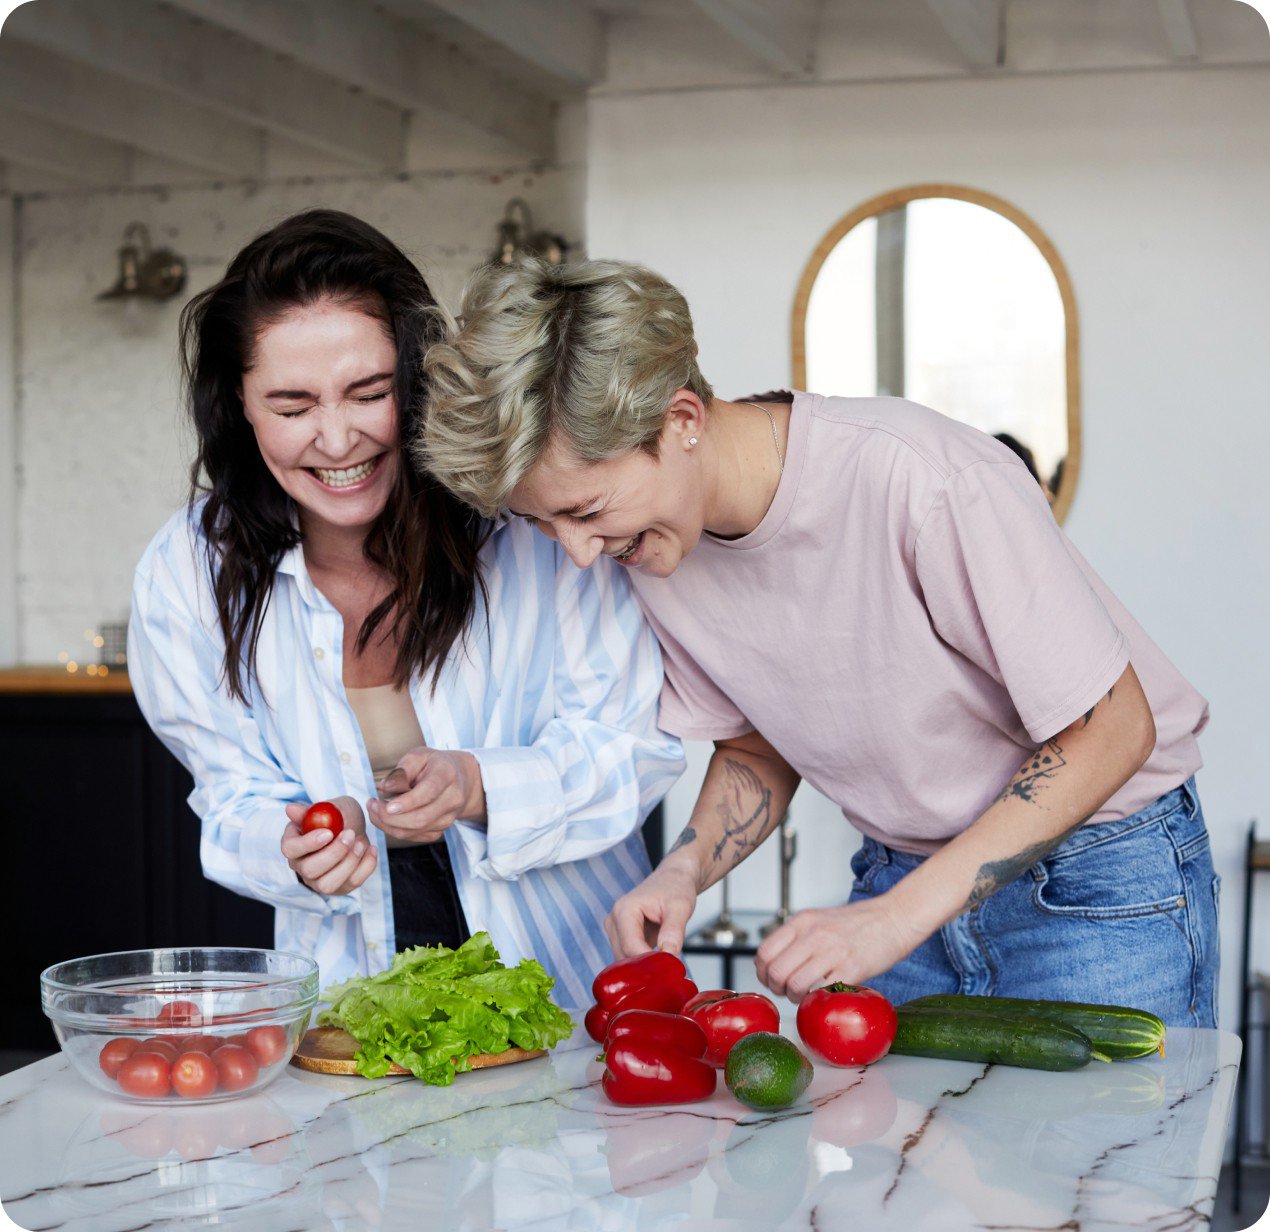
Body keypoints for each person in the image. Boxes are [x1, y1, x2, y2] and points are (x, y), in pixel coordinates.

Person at [417, 258, 1218, 1027]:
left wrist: (890, 921)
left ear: (682, 420)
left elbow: (1114, 728)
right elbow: (759, 744)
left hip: (1095, 884)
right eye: (543, 522)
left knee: (1114, 1167)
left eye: (587, 512)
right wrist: (683, 872)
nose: (578, 551)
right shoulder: (658, 550)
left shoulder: (921, 479)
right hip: (899, 886)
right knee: (909, 1171)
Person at [127, 216, 684, 1007]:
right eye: (291, 406)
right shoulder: (188, 572)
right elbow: (231, 798)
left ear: (418, 383)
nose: (337, 437)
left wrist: (478, 786)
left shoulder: (528, 525)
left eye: (371, 393)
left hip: (575, 991)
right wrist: (286, 848)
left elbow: (630, 752)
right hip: (351, 1010)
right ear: (240, 408)